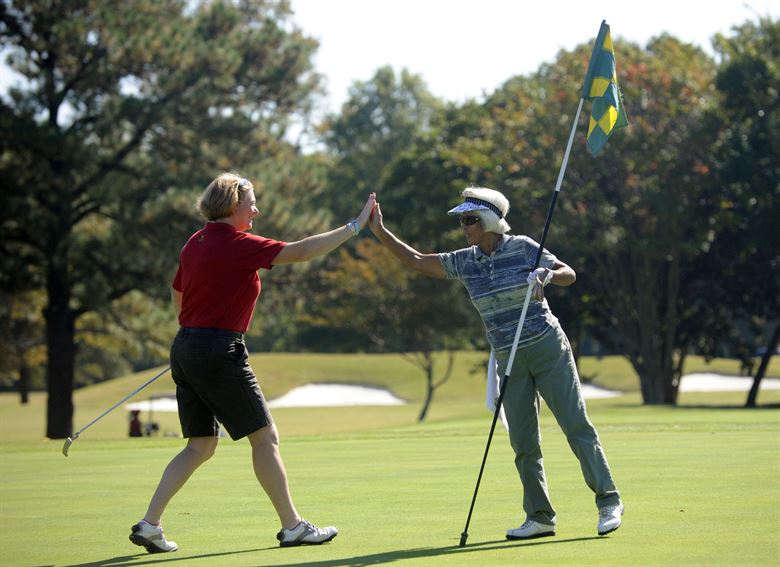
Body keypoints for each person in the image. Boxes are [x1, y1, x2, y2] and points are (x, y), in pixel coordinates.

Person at [129, 172, 376, 554]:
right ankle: (293, 527)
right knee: (265, 438)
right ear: (232, 204)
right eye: (251, 203)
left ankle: (150, 524)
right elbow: (303, 251)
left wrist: (194, 336)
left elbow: (177, 293)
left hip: (187, 345)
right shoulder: (237, 242)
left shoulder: (194, 242)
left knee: (201, 444)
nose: (256, 210)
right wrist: (355, 226)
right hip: (218, 348)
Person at [368, 186, 623, 539]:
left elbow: (569, 273)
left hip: (547, 347)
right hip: (509, 356)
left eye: (470, 219)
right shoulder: (465, 260)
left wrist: (546, 275)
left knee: (575, 425)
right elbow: (416, 261)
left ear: (489, 220)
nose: (464, 226)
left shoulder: (524, 248)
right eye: (462, 220)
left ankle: (608, 500)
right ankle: (540, 517)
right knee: (523, 441)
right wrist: (380, 231)